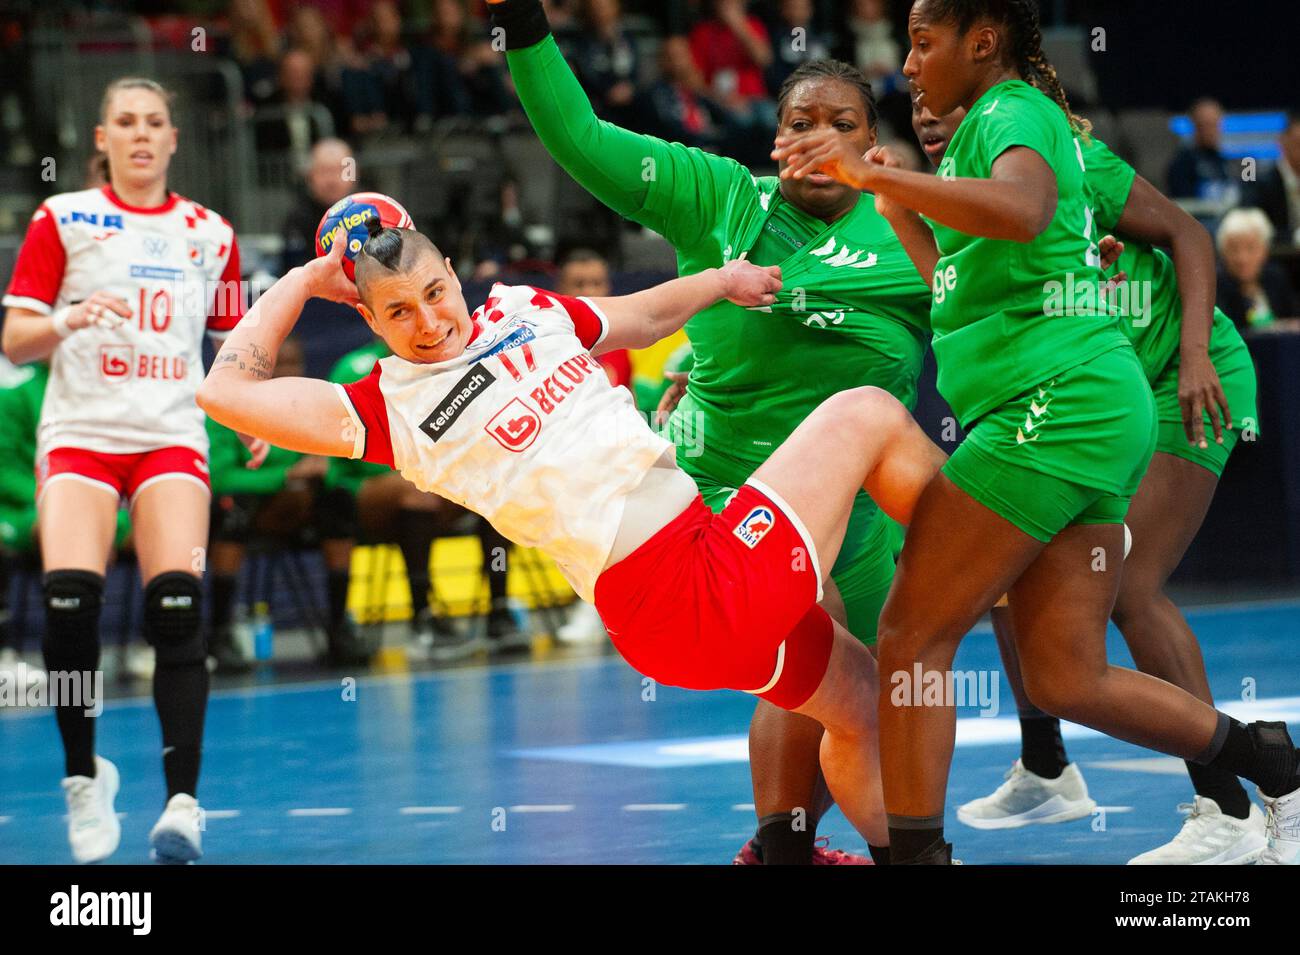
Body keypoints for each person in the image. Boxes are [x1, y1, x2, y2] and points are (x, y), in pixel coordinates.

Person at [199, 219, 952, 852]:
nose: (428, 323)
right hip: (678, 585)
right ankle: (991, 556)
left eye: (433, 294)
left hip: (686, 586)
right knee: (863, 412)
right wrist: (300, 281)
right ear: (369, 321)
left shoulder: (526, 309)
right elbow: (224, 392)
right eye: (398, 312)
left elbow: (647, 314)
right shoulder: (387, 411)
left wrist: (723, 282)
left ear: (456, 275)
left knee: (858, 705)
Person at [771, 0, 1300, 865]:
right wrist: (897, 196)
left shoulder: (1011, 112)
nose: (907, 65)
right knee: (1064, 673)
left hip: (1055, 405)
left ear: (982, 44)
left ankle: (917, 856)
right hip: (1092, 409)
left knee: (911, 634)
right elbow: (959, 276)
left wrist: (877, 181)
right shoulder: (994, 132)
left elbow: (1022, 209)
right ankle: (1274, 764)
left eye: (922, 41)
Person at [489, 0, 934, 864]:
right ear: (773, 139)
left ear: (873, 145)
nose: (818, 138)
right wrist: (522, 24)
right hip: (726, 495)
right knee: (811, 618)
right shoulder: (724, 199)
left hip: (863, 518)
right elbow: (579, 136)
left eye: (842, 124)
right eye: (799, 122)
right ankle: (781, 849)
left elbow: (990, 311)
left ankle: (809, 844)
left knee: (868, 700)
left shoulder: (907, 232)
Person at [910, 97, 1268, 863]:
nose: (926, 107)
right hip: (1093, 395)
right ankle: (1047, 765)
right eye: (914, 104)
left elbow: (1187, 233)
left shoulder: (1066, 162)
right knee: (1010, 564)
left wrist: (1197, 352)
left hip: (1183, 378)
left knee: (1132, 589)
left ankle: (1230, 809)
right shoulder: (958, 196)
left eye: (943, 94)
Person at [1, 77, 259, 864]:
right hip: (81, 432)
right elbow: (15, 339)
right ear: (102, 139)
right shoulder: (63, 218)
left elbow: (239, 338)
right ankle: (84, 775)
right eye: (125, 122)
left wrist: (255, 410)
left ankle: (183, 803)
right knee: (69, 603)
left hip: (169, 436)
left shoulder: (210, 233)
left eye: (154, 122)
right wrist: (68, 318)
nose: (141, 134)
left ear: (174, 139)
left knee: (176, 605)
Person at [326, 334, 527, 662]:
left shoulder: (447, 365)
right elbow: (340, 450)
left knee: (491, 484)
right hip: (362, 488)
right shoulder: (355, 368)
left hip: (433, 483)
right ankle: (423, 618)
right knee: (415, 493)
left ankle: (500, 611)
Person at [206, 336, 372, 670]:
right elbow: (221, 478)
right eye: (279, 365)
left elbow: (334, 462)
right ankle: (219, 631)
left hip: (299, 508)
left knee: (337, 499)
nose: (288, 372)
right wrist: (285, 476)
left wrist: (321, 468)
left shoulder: (310, 404)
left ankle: (339, 625)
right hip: (253, 510)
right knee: (231, 508)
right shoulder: (226, 407)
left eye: (294, 364)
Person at [1215, 207, 1297, 329]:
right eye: (1234, 248)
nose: (1242, 258)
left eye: (1250, 248)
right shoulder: (1215, 285)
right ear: (1222, 252)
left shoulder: (1275, 277)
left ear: (1264, 250)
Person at [1167, 97, 1237, 205]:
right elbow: (1183, 204)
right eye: (1205, 125)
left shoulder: (1227, 163)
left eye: (1214, 124)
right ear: (1194, 125)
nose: (1210, 131)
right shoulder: (1181, 165)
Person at [1247, 113, 1300, 246]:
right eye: (1298, 143)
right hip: (1274, 259)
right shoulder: (1260, 183)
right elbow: (1253, 229)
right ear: (1282, 142)